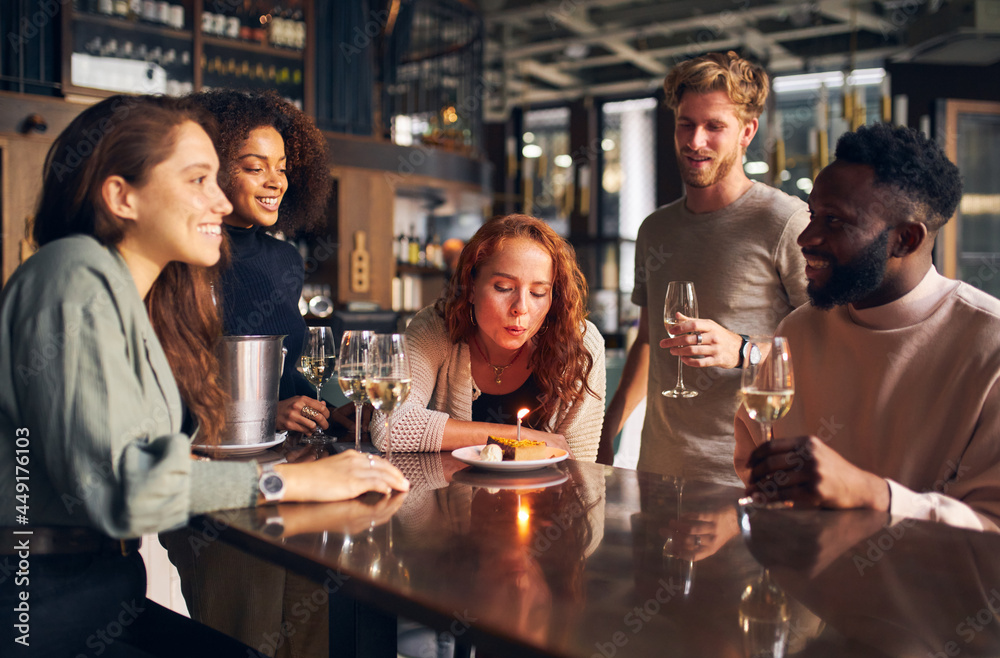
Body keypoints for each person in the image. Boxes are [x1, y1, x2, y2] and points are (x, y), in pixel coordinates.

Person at [0, 94, 408, 658]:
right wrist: (294, 480)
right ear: (122, 196)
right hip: (36, 607)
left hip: (97, 589)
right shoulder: (75, 276)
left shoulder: (129, 295)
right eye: (199, 180)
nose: (220, 200)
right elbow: (123, 488)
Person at [736, 123, 1000, 533]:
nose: (806, 237)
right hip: (807, 589)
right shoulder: (800, 329)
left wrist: (873, 494)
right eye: (812, 215)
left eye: (835, 221)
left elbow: (992, 528)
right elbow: (754, 458)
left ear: (905, 240)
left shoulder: (990, 344)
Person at [599, 51, 809, 485]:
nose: (695, 141)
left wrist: (744, 350)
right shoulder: (655, 229)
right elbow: (647, 341)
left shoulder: (786, 221)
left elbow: (828, 342)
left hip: (745, 473)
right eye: (686, 123)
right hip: (657, 468)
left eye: (715, 126)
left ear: (746, 131)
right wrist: (608, 430)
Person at [373, 214, 606, 460]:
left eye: (538, 293)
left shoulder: (580, 343)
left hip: (546, 498)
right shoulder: (437, 327)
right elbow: (390, 424)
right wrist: (523, 438)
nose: (521, 307)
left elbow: (580, 469)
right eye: (503, 288)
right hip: (453, 496)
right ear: (471, 287)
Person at [194, 89, 332, 435]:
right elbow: (177, 393)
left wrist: (331, 409)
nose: (276, 181)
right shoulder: (189, 256)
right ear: (213, 168)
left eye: (282, 168)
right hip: (217, 461)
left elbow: (289, 376)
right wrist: (264, 414)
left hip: (287, 452)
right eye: (255, 167)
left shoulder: (285, 260)